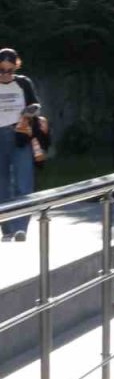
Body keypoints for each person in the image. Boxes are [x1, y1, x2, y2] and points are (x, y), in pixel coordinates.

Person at [0, 48, 39, 242]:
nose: (6, 75)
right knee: (2, 185)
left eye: (10, 70)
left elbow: (35, 105)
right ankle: (7, 228)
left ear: (16, 67)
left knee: (24, 183)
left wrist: (29, 113)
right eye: (2, 70)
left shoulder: (23, 83)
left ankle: (21, 228)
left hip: (20, 134)